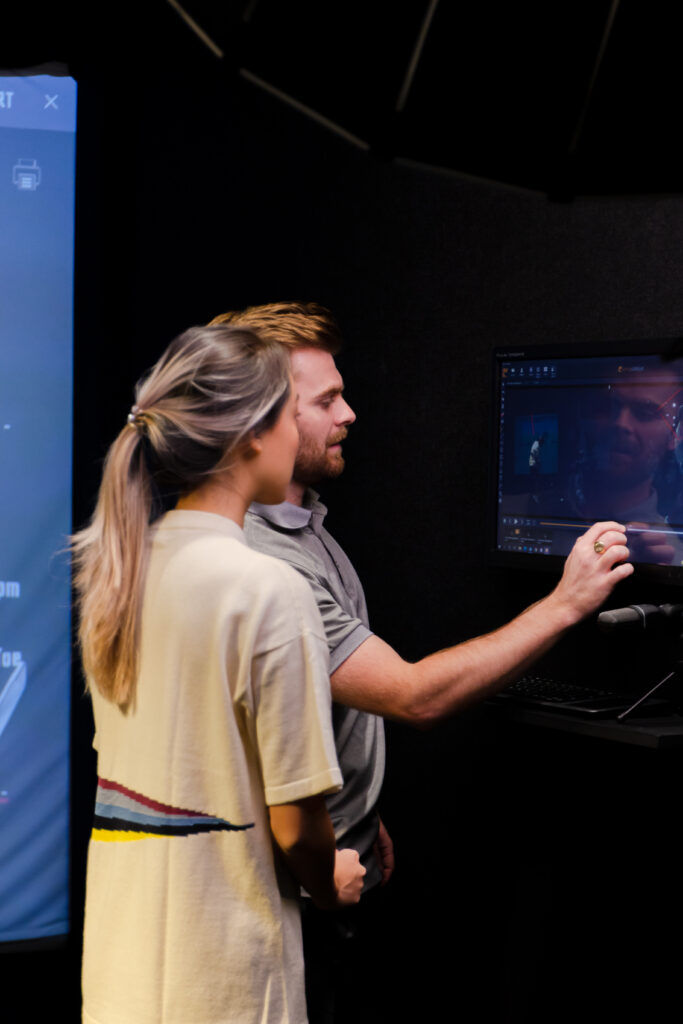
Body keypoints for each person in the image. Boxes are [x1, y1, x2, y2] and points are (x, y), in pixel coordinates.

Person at [209, 301, 633, 1022]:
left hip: (339, 858)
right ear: (258, 421)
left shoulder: (304, 525)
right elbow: (412, 696)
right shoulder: (266, 563)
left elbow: (317, 703)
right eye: (326, 401)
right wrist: (566, 603)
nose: (349, 415)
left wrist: (354, 810)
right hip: (299, 896)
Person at [73, 325, 366, 1024]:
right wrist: (330, 882)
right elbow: (297, 826)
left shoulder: (118, 572)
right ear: (253, 435)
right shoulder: (267, 590)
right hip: (225, 986)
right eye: (288, 412)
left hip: (119, 976)